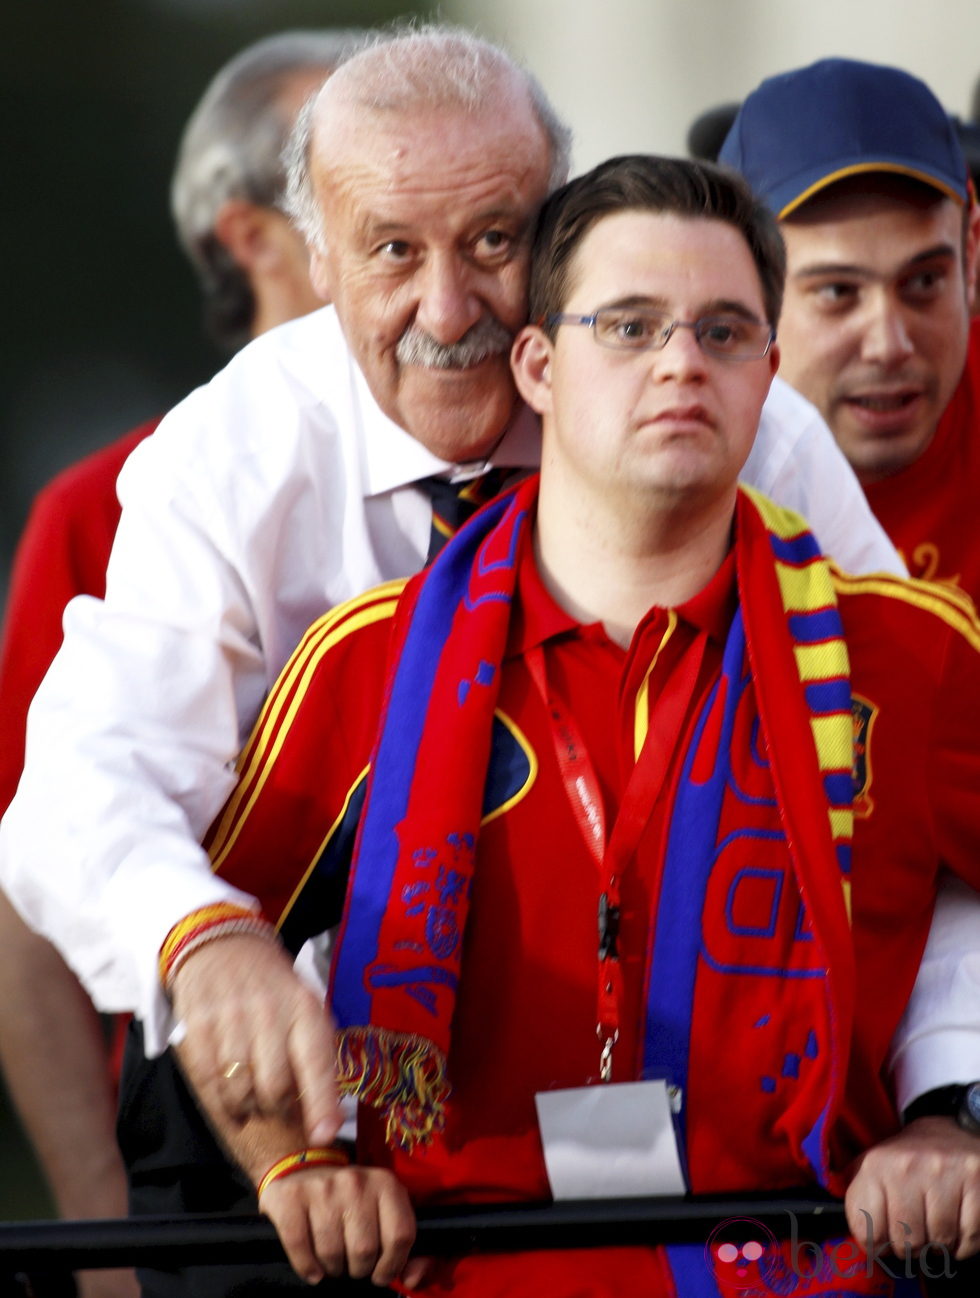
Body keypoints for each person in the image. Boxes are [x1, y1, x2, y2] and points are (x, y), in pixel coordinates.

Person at [180, 153, 980, 1296]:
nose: (678, 365)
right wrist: (293, 1158)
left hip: (810, 1267)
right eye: (629, 325)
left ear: (768, 375)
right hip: (450, 1274)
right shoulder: (364, 661)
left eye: (721, 332)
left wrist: (954, 1117)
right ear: (539, 364)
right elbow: (215, 951)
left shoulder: (914, 657)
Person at [0, 29, 360, 1298]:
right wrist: (108, 1239)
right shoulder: (104, 505)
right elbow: (27, 911)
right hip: (212, 1164)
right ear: (248, 236)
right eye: (357, 190)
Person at [719, 58, 980, 598]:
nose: (889, 345)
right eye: (838, 292)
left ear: (972, 254)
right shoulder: (681, 463)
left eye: (924, 281)